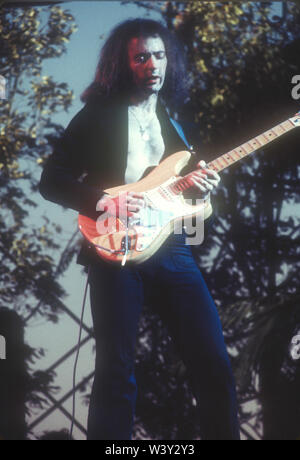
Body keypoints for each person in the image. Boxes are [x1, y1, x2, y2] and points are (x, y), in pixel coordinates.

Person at [39, 18, 240, 440]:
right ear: (123, 64)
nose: (153, 64)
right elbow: (51, 181)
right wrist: (103, 200)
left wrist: (201, 190)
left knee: (213, 360)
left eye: (160, 55)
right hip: (116, 249)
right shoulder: (98, 116)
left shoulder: (174, 122)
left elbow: (182, 199)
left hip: (172, 249)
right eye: (142, 56)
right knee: (117, 369)